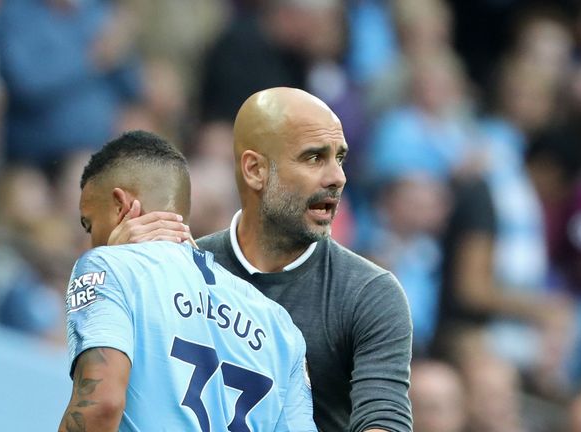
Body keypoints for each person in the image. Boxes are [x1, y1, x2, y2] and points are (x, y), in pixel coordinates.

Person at [110, 88, 413, 432]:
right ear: (255, 170)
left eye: (339, 158)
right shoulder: (180, 271)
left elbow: (384, 421)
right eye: (314, 158)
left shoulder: (368, 294)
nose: (337, 177)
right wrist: (120, 279)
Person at [58, 131, 316, 431]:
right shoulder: (281, 327)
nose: (91, 241)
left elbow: (102, 405)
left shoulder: (108, 265)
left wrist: (113, 263)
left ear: (121, 207)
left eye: (89, 224)